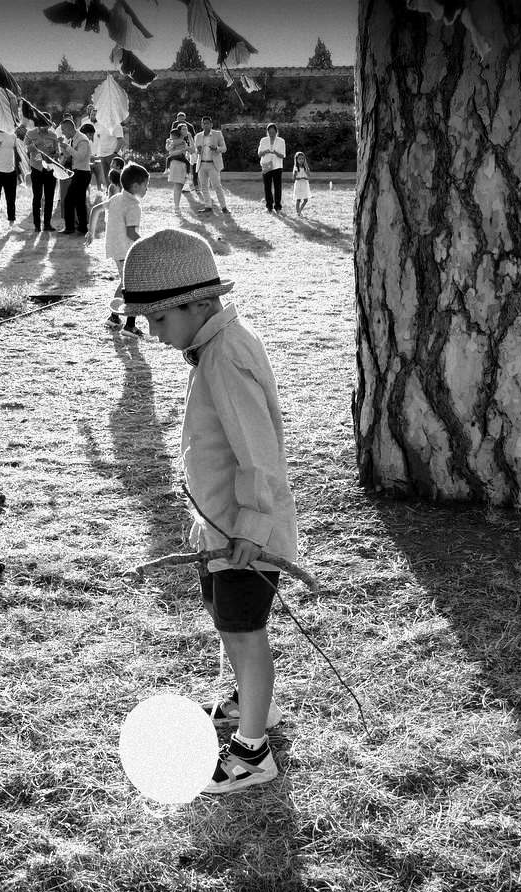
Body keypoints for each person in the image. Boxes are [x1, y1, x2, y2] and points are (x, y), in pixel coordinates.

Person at [117, 228, 297, 795]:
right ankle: (252, 706)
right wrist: (209, 523)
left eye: (159, 320)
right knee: (228, 621)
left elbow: (258, 456)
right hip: (221, 527)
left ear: (196, 304)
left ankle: (252, 750)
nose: (151, 332)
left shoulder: (226, 358)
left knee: (246, 633)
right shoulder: (211, 348)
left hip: (247, 532)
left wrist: (251, 527)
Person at [86, 161, 150, 339]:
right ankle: (130, 326)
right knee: (134, 287)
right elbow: (131, 232)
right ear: (136, 186)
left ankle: (114, 317)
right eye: (146, 185)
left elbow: (96, 209)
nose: (147, 189)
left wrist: (91, 232)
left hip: (114, 249)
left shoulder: (116, 198)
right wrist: (146, 243)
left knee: (125, 283)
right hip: (126, 251)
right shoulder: (134, 206)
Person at [24, 115, 64, 232]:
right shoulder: (30, 134)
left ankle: (47, 224)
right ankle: (37, 225)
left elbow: (57, 152)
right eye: (43, 124)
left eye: (47, 124)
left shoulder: (53, 135)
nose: (45, 127)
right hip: (36, 169)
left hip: (50, 169)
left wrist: (55, 153)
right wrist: (37, 144)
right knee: (37, 198)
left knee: (49, 198)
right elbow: (27, 149)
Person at [60, 118, 93, 236]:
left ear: (70, 129)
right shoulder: (74, 139)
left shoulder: (82, 139)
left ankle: (70, 228)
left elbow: (80, 157)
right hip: (79, 173)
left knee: (69, 200)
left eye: (63, 130)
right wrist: (63, 148)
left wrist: (67, 147)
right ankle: (83, 227)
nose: (63, 132)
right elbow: (71, 155)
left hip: (82, 173)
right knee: (79, 202)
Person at [193, 115, 229, 215]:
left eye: (207, 123)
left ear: (211, 124)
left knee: (217, 186)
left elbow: (224, 148)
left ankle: (224, 207)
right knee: (203, 186)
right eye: (204, 123)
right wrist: (198, 150)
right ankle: (208, 206)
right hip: (201, 164)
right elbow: (196, 151)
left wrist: (216, 148)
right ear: (201, 125)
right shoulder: (198, 136)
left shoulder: (217, 134)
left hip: (213, 164)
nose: (205, 125)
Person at [257, 123, 286, 213]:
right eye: (269, 132)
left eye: (273, 132)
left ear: (276, 132)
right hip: (266, 166)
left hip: (277, 166)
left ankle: (278, 207)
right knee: (267, 187)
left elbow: (283, 155)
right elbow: (259, 154)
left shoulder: (281, 141)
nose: (271, 134)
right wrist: (265, 151)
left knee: (277, 187)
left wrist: (275, 153)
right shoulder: (263, 140)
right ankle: (269, 206)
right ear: (267, 132)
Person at [164, 124, 192, 215]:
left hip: (183, 164)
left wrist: (189, 141)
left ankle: (177, 207)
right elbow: (170, 152)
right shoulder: (172, 141)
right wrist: (182, 150)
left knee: (179, 186)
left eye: (186, 129)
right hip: (176, 164)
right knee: (178, 187)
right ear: (179, 132)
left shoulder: (184, 140)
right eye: (184, 129)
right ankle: (176, 208)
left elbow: (193, 150)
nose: (186, 131)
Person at [174, 112, 198, 191]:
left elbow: (194, 138)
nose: (180, 121)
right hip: (179, 149)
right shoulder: (175, 125)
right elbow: (172, 136)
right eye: (179, 120)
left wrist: (191, 147)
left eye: (182, 120)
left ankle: (191, 185)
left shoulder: (190, 126)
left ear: (185, 119)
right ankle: (185, 185)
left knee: (189, 167)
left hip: (188, 149)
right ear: (177, 118)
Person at [292, 151, 311, 215]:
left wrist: (307, 168)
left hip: (305, 184)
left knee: (306, 200)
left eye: (302, 159)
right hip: (299, 184)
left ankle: (300, 210)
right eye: (299, 159)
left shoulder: (305, 167)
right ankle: (298, 212)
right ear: (296, 160)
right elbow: (294, 178)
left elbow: (308, 176)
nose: (301, 160)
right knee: (298, 199)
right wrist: (297, 176)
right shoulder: (296, 167)